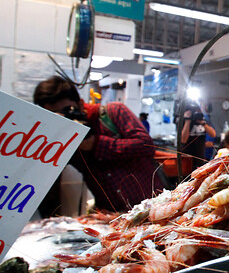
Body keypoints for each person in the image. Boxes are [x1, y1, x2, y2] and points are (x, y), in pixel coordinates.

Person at [33, 76, 161, 212]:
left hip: (152, 208)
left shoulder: (113, 112)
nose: (65, 119)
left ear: (81, 104)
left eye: (68, 110)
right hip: (111, 216)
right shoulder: (60, 138)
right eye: (54, 116)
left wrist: (96, 143)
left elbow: (146, 145)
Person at [180, 102, 217, 169]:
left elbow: (213, 134)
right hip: (186, 158)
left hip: (200, 157)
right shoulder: (183, 121)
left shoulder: (203, 120)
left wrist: (203, 123)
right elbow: (183, 140)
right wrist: (188, 121)